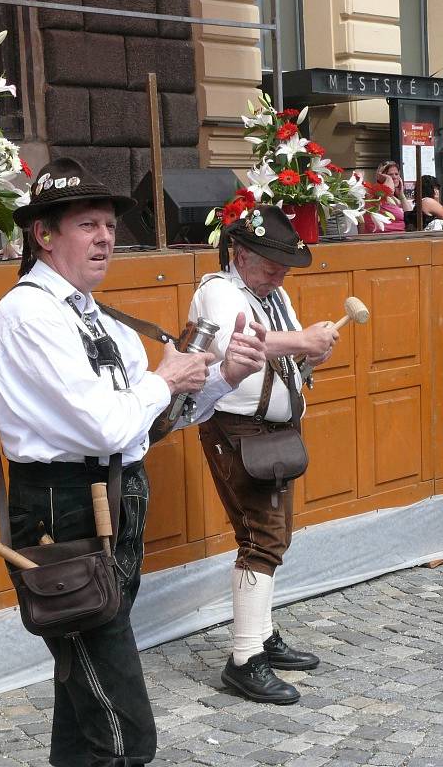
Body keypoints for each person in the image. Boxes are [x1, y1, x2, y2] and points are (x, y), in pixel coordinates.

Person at [0, 157, 267, 767]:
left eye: (109, 224)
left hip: (111, 503)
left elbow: (149, 422)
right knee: (122, 725)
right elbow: (109, 422)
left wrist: (219, 378)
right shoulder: (27, 315)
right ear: (44, 234)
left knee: (81, 687)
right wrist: (167, 377)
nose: (106, 237)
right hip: (64, 514)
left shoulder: (92, 314)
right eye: (88, 224)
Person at [189, 205, 339, 705]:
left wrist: (312, 351)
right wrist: (301, 339)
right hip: (235, 429)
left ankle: (262, 635)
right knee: (262, 538)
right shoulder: (218, 291)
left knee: (271, 536)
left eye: (284, 266)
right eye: (271, 265)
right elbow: (241, 341)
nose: (280, 274)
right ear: (240, 254)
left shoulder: (272, 294)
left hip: (268, 430)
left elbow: (286, 348)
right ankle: (245, 658)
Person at [363, 160, 412, 234]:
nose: (394, 177)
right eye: (390, 174)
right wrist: (387, 179)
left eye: (396, 174)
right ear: (381, 176)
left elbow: (410, 217)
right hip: (385, 239)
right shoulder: (376, 195)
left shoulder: (394, 198)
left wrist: (401, 195)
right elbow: (387, 190)